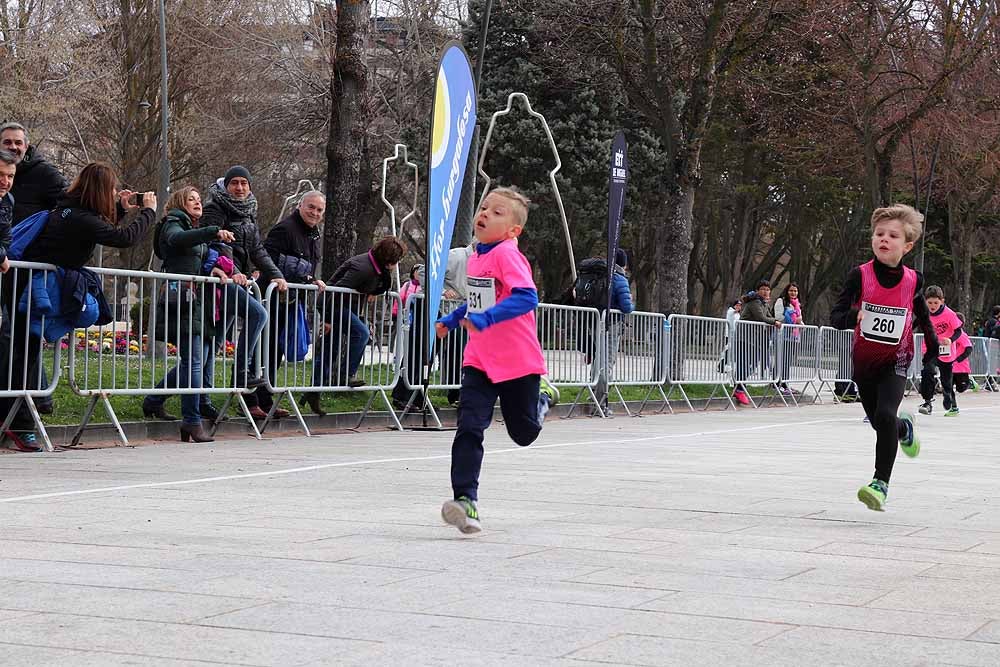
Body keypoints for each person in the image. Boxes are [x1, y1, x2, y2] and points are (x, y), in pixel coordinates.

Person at [0, 162, 156, 450]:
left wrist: (121, 210)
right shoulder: (79, 217)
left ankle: (15, 421)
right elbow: (123, 238)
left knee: (22, 355)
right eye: (111, 190)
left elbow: (97, 228)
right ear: (100, 190)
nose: (114, 193)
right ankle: (20, 425)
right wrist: (149, 212)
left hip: (27, 286)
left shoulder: (68, 210)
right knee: (23, 358)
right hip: (29, 289)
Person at [435, 187, 559, 534]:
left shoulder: (508, 255)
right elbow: (480, 300)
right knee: (469, 426)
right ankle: (466, 500)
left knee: (523, 434)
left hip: (517, 361)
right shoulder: (476, 256)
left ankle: (543, 397)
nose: (485, 214)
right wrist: (452, 318)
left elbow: (526, 297)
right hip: (479, 360)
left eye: (497, 212)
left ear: (513, 230)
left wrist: (487, 318)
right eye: (484, 207)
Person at [830, 203, 937, 511]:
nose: (884, 239)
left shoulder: (914, 280)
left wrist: (931, 345)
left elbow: (921, 313)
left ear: (907, 246)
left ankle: (880, 484)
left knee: (885, 415)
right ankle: (905, 430)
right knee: (882, 423)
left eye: (892, 235)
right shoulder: (859, 275)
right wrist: (853, 316)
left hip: (897, 360)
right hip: (864, 363)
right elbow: (836, 316)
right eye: (879, 234)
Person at [141, 186, 235, 442]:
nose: (197, 202)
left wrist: (213, 269)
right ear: (179, 203)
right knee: (193, 361)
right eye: (191, 199)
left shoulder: (192, 229)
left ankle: (153, 400)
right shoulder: (173, 222)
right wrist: (212, 231)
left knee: (194, 362)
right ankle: (192, 421)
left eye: (198, 199)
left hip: (195, 301)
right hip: (181, 300)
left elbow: (194, 261)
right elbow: (176, 240)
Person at [200, 166, 287, 394]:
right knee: (258, 314)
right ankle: (241, 373)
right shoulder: (214, 208)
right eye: (234, 183)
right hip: (222, 279)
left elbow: (257, 249)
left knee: (214, 343)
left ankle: (199, 399)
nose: (239, 188)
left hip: (237, 280)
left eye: (244, 183)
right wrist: (233, 272)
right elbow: (217, 243)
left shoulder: (248, 211)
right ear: (226, 185)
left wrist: (276, 274)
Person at [300, 236, 406, 416]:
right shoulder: (362, 268)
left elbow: (382, 285)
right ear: (388, 260)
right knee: (361, 333)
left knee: (329, 350)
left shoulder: (377, 266)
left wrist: (374, 291)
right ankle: (346, 374)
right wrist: (327, 319)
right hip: (333, 305)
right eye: (396, 261)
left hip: (345, 306)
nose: (396, 265)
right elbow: (335, 291)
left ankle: (313, 392)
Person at [253, 191, 327, 419]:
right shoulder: (284, 229)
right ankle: (251, 400)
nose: (314, 213)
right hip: (271, 298)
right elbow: (268, 260)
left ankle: (266, 399)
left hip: (291, 300)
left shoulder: (313, 235)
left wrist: (311, 280)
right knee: (263, 350)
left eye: (319, 210)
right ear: (300, 206)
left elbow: (306, 266)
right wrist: (302, 277)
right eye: (311, 207)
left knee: (276, 351)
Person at [0, 122, 67, 223]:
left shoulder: (45, 172)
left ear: (26, 146)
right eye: (7, 142)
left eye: (18, 143)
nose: (13, 147)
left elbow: (70, 203)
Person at [732, 279, 782, 405]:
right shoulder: (754, 302)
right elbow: (761, 317)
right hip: (744, 337)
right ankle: (739, 389)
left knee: (752, 364)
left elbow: (769, 316)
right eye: (763, 289)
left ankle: (739, 386)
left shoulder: (764, 304)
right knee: (744, 364)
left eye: (767, 289)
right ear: (757, 291)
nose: (765, 292)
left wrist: (776, 321)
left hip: (754, 339)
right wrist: (775, 322)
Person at [918, 286, 963, 417]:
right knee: (927, 372)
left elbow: (958, 331)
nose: (932, 306)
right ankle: (927, 403)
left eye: (936, 303)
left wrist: (950, 339)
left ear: (942, 301)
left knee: (946, 380)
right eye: (930, 303)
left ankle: (948, 396)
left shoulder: (949, 314)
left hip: (946, 351)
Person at [392, 264, 426, 410]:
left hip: (426, 323)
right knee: (412, 357)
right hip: (413, 324)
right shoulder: (409, 286)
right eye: (416, 271)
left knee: (423, 361)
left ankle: (418, 397)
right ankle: (401, 396)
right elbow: (399, 301)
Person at [776, 283, 804, 394]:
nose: (793, 293)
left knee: (788, 361)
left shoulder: (797, 304)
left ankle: (785, 383)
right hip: (783, 335)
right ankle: (777, 383)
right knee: (782, 360)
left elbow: (799, 319)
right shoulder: (781, 301)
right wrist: (793, 320)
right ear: (787, 291)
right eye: (791, 290)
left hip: (793, 336)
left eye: (795, 291)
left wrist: (801, 324)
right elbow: (778, 317)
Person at [951, 313, 975, 394]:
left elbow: (969, 348)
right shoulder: (948, 334)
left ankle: (968, 383)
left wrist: (959, 359)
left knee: (961, 389)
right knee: (948, 387)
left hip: (961, 367)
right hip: (949, 366)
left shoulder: (962, 335)